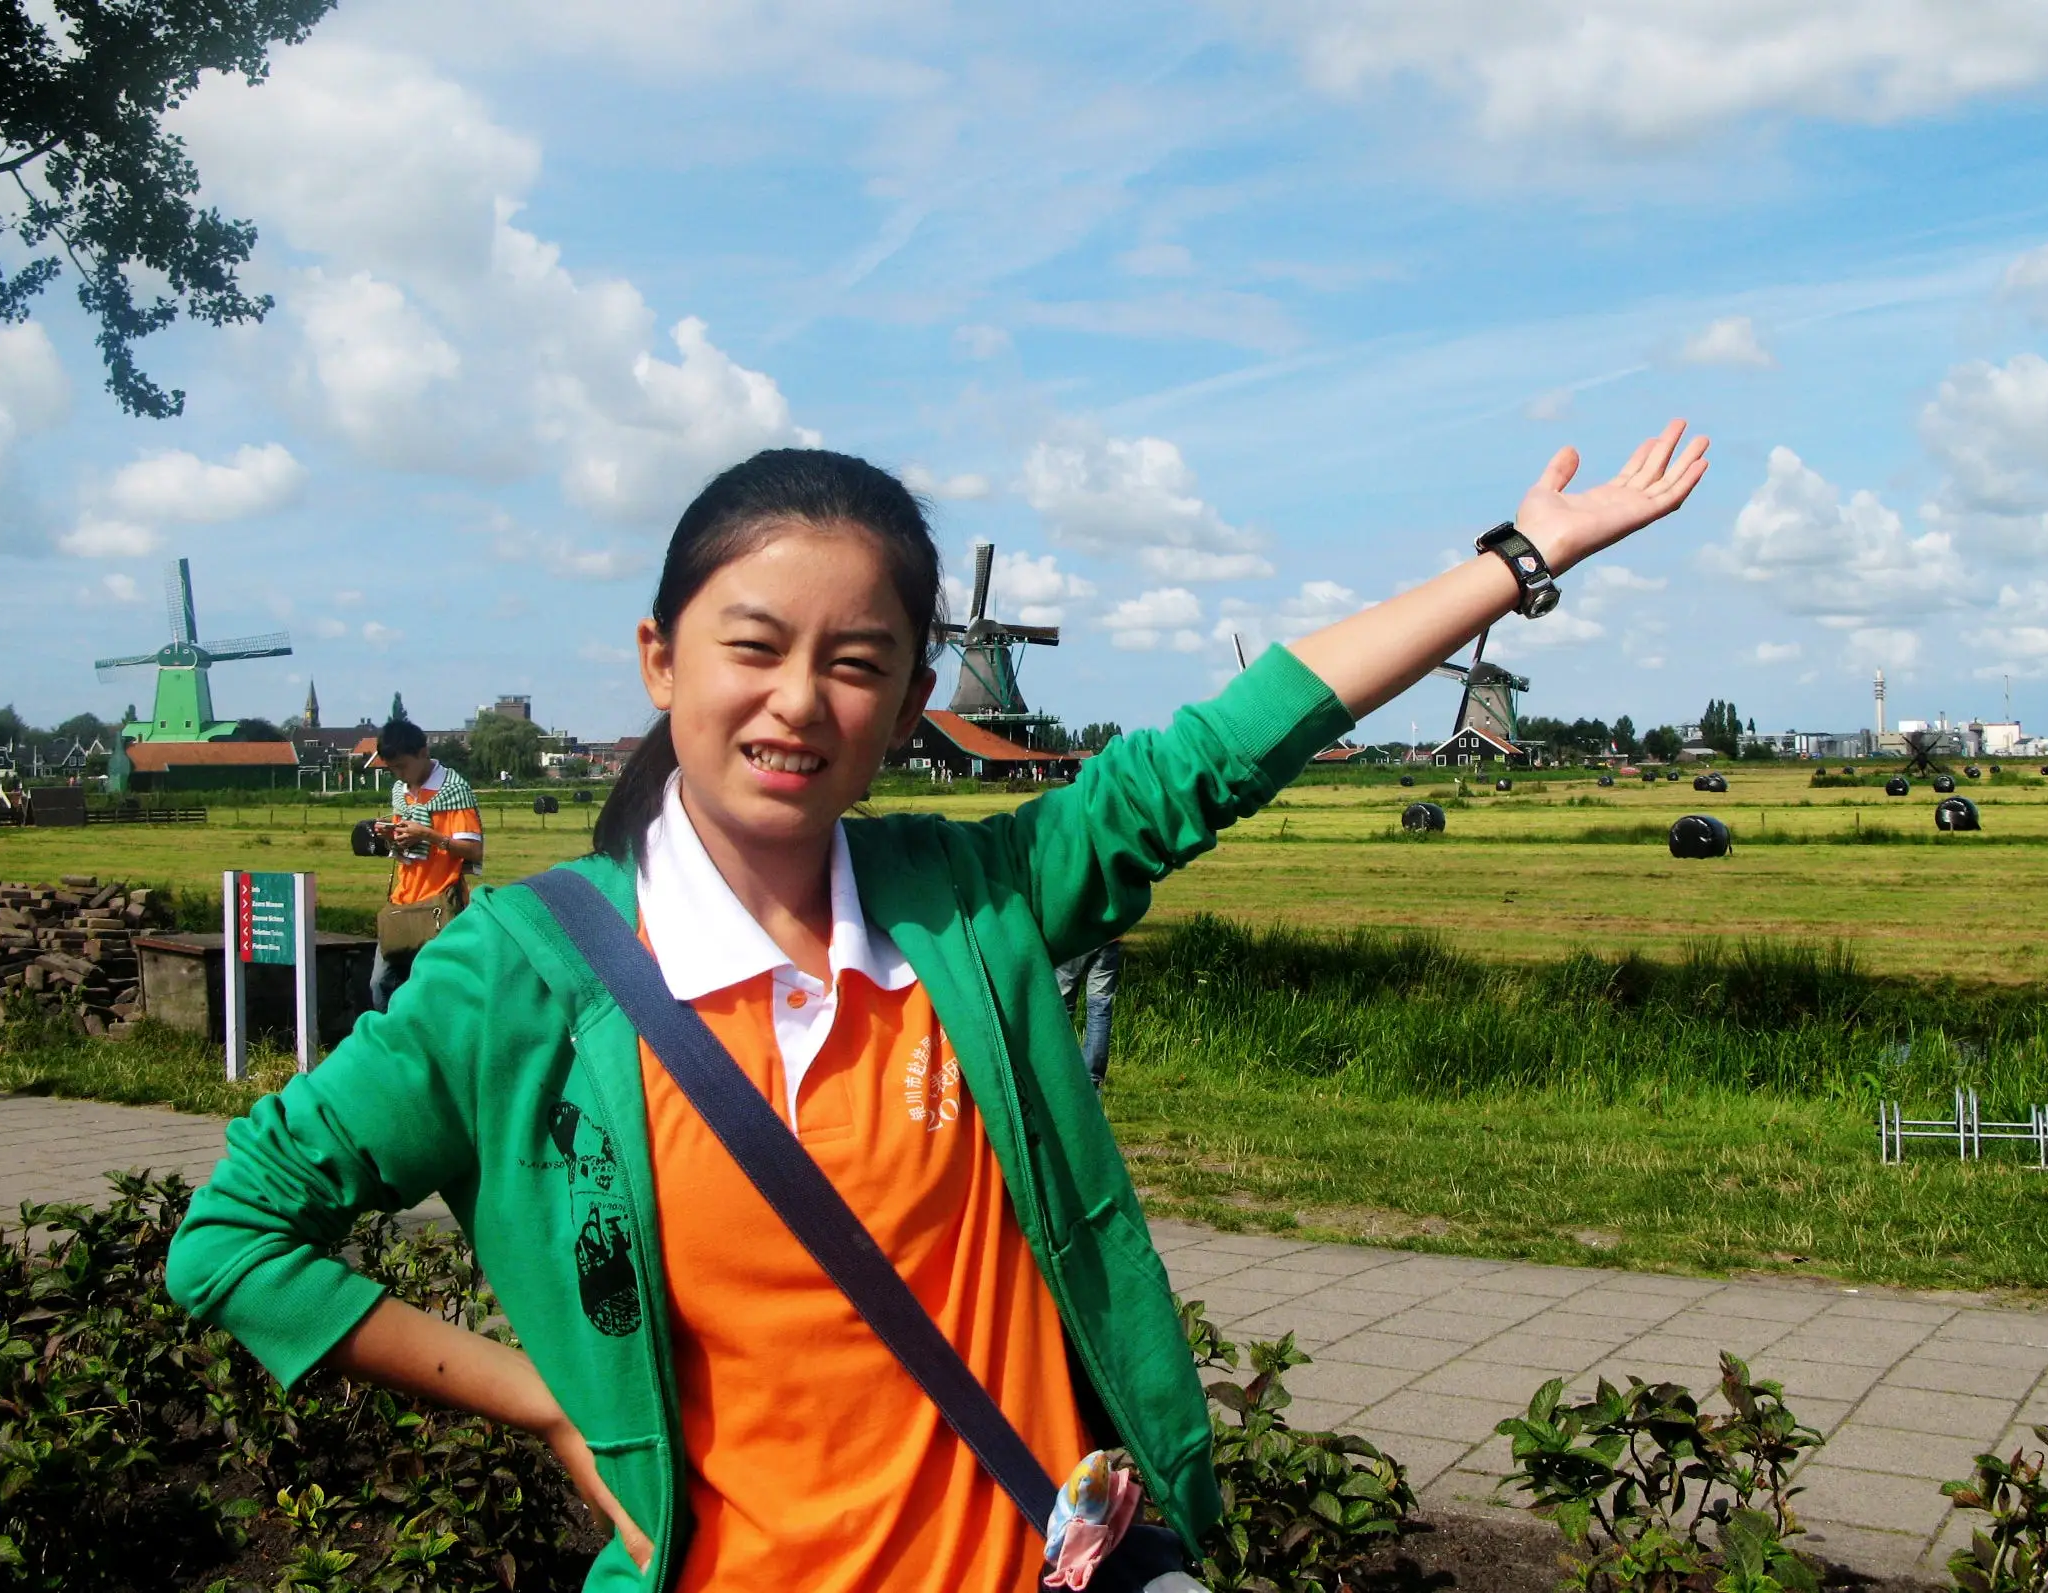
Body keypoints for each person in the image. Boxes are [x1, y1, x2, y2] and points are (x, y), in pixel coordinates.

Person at [166, 429, 1707, 1593]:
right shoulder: (520, 976)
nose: (798, 701)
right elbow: (234, 1230)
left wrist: (1513, 558)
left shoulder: (970, 911)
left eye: (858, 664)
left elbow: (1222, 748)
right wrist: (550, 1405)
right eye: (753, 646)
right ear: (659, 659)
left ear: (911, 705)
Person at [368, 717, 483, 1012]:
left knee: (435, 990)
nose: (398, 774)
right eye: (392, 768)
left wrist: (430, 836)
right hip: (403, 902)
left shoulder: (454, 790)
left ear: (423, 753)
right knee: (380, 984)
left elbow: (474, 851)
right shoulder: (400, 792)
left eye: (402, 766)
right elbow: (405, 848)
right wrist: (391, 837)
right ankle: (394, 1048)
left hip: (440, 904)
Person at [1055, 939, 1122, 1091]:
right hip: (1107, 937)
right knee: (1100, 1009)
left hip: (1075, 936)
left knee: (1061, 1009)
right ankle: (1091, 1082)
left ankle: (1058, 1074)